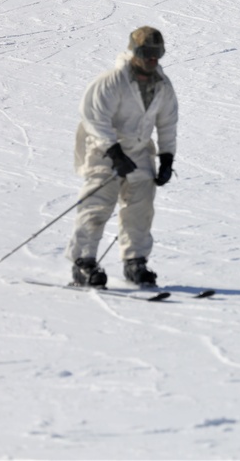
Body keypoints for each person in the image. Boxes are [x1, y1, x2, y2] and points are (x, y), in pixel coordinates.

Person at [65, 26, 178, 288]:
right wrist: (114, 153)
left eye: (157, 53)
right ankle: (83, 263)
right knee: (96, 206)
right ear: (134, 52)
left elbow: (168, 122)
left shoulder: (162, 86)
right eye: (146, 52)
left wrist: (167, 158)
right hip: (104, 152)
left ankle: (135, 261)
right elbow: (93, 116)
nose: (152, 58)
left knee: (140, 209)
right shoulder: (112, 81)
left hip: (139, 153)